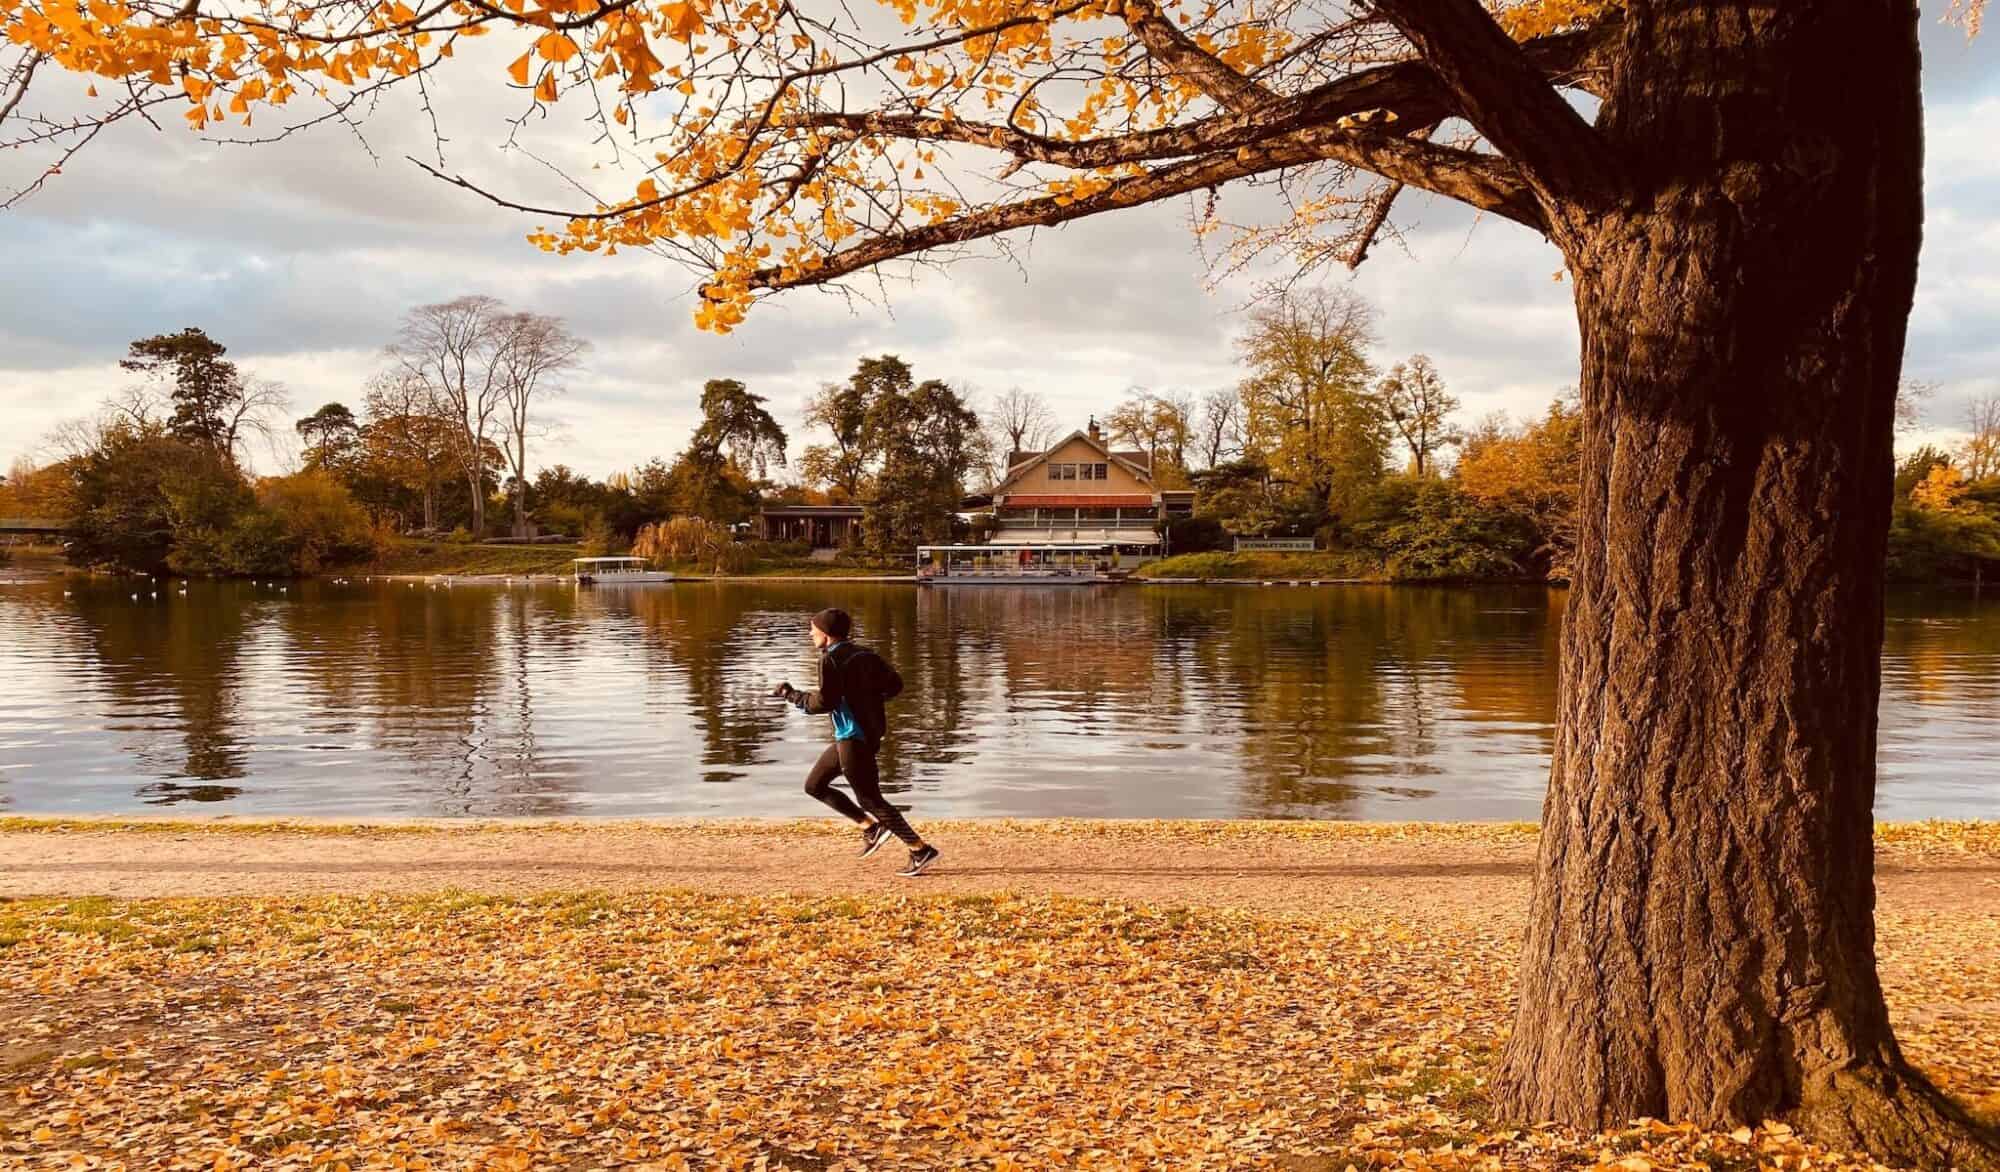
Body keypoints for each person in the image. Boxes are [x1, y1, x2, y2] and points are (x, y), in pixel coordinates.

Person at [770, 607, 940, 877]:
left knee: (870, 799)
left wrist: (793, 696)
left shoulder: (830, 660)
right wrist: (869, 702)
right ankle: (870, 828)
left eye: (813, 629)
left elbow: (827, 702)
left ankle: (920, 849)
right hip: (860, 735)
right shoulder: (866, 654)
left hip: (853, 738)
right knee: (814, 785)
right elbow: (895, 685)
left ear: (826, 633)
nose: (810, 633)